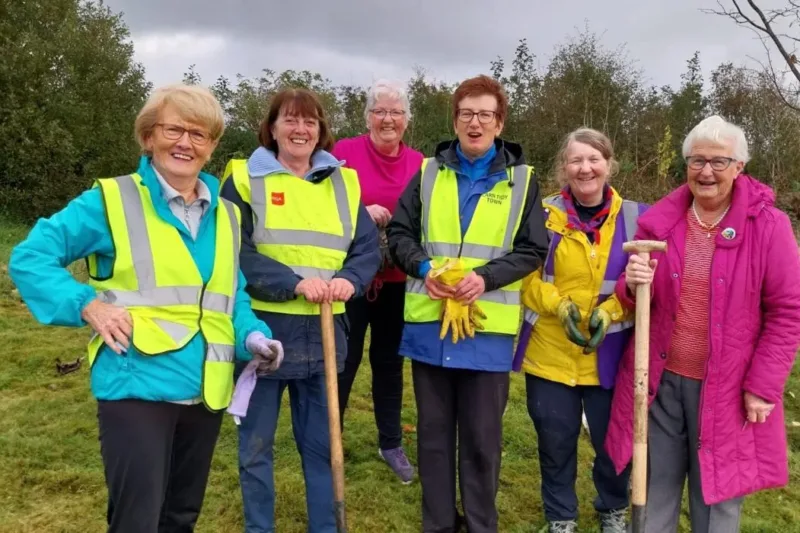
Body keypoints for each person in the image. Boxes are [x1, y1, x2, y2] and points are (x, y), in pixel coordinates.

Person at [8, 84, 283, 533]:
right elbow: (30, 257)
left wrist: (251, 336)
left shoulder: (228, 216)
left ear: (212, 146)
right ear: (149, 136)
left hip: (205, 390)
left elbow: (229, 296)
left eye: (199, 134)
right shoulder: (111, 201)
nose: (185, 143)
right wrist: (86, 304)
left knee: (180, 518)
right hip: (136, 385)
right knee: (137, 521)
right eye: (174, 130)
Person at [604, 115, 800, 533]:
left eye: (718, 161)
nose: (706, 171)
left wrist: (763, 386)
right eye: (697, 161)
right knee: (653, 488)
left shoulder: (769, 227)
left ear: (739, 166)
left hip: (728, 389)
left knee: (716, 497)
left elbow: (787, 311)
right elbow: (635, 295)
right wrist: (630, 285)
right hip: (660, 382)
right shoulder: (662, 221)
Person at [387, 74, 549, 533]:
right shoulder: (427, 173)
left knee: (481, 441)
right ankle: (438, 524)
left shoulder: (523, 181)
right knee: (433, 438)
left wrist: (485, 278)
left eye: (485, 115)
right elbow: (399, 234)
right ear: (455, 120)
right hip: (429, 327)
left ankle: (480, 525)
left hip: (487, 331)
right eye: (466, 114)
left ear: (500, 123)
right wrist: (423, 269)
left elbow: (533, 249)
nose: (475, 123)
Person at [220, 87, 381, 533]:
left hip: (326, 333)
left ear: (320, 130)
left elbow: (366, 247)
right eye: (290, 120)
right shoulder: (243, 179)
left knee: (322, 446)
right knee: (256, 448)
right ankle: (259, 528)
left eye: (310, 121)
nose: (300, 129)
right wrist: (292, 282)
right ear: (272, 128)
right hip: (263, 333)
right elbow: (233, 250)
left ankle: (325, 527)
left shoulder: (344, 182)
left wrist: (351, 279)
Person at [512, 128, 647, 533]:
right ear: (564, 167)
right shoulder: (541, 215)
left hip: (611, 355)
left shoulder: (637, 218)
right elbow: (525, 278)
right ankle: (561, 517)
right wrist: (559, 305)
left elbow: (647, 281)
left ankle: (612, 508)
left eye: (594, 159)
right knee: (555, 442)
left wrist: (611, 309)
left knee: (613, 441)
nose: (585, 168)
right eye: (576, 160)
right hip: (550, 353)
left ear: (609, 164)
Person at [331, 79, 424, 484]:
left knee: (388, 363)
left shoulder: (421, 164)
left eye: (396, 112)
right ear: (368, 116)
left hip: (397, 280)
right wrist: (359, 211)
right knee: (343, 360)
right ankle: (329, 441)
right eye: (380, 111)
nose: (388, 119)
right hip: (350, 278)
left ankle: (391, 443)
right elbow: (321, 200)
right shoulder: (343, 153)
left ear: (407, 119)